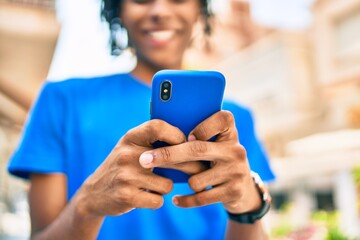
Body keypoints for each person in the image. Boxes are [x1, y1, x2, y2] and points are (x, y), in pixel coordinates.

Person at [8, 0, 275, 239]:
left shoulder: (233, 119)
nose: (159, 10)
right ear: (119, 10)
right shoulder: (61, 100)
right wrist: (87, 204)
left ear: (199, 9)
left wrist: (249, 206)